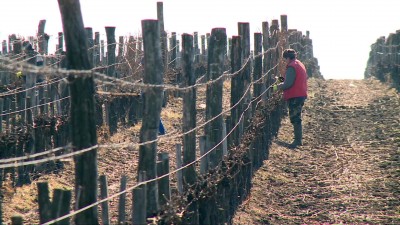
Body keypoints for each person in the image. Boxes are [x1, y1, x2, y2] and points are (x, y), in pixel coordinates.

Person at [273, 49, 308, 148]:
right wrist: (277, 79)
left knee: (295, 118)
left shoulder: (291, 67)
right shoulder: (298, 64)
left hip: (295, 95)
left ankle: (297, 141)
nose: (285, 61)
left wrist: (275, 87)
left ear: (288, 58)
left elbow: (288, 83)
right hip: (300, 94)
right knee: (296, 117)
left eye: (285, 59)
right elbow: (289, 79)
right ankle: (298, 139)